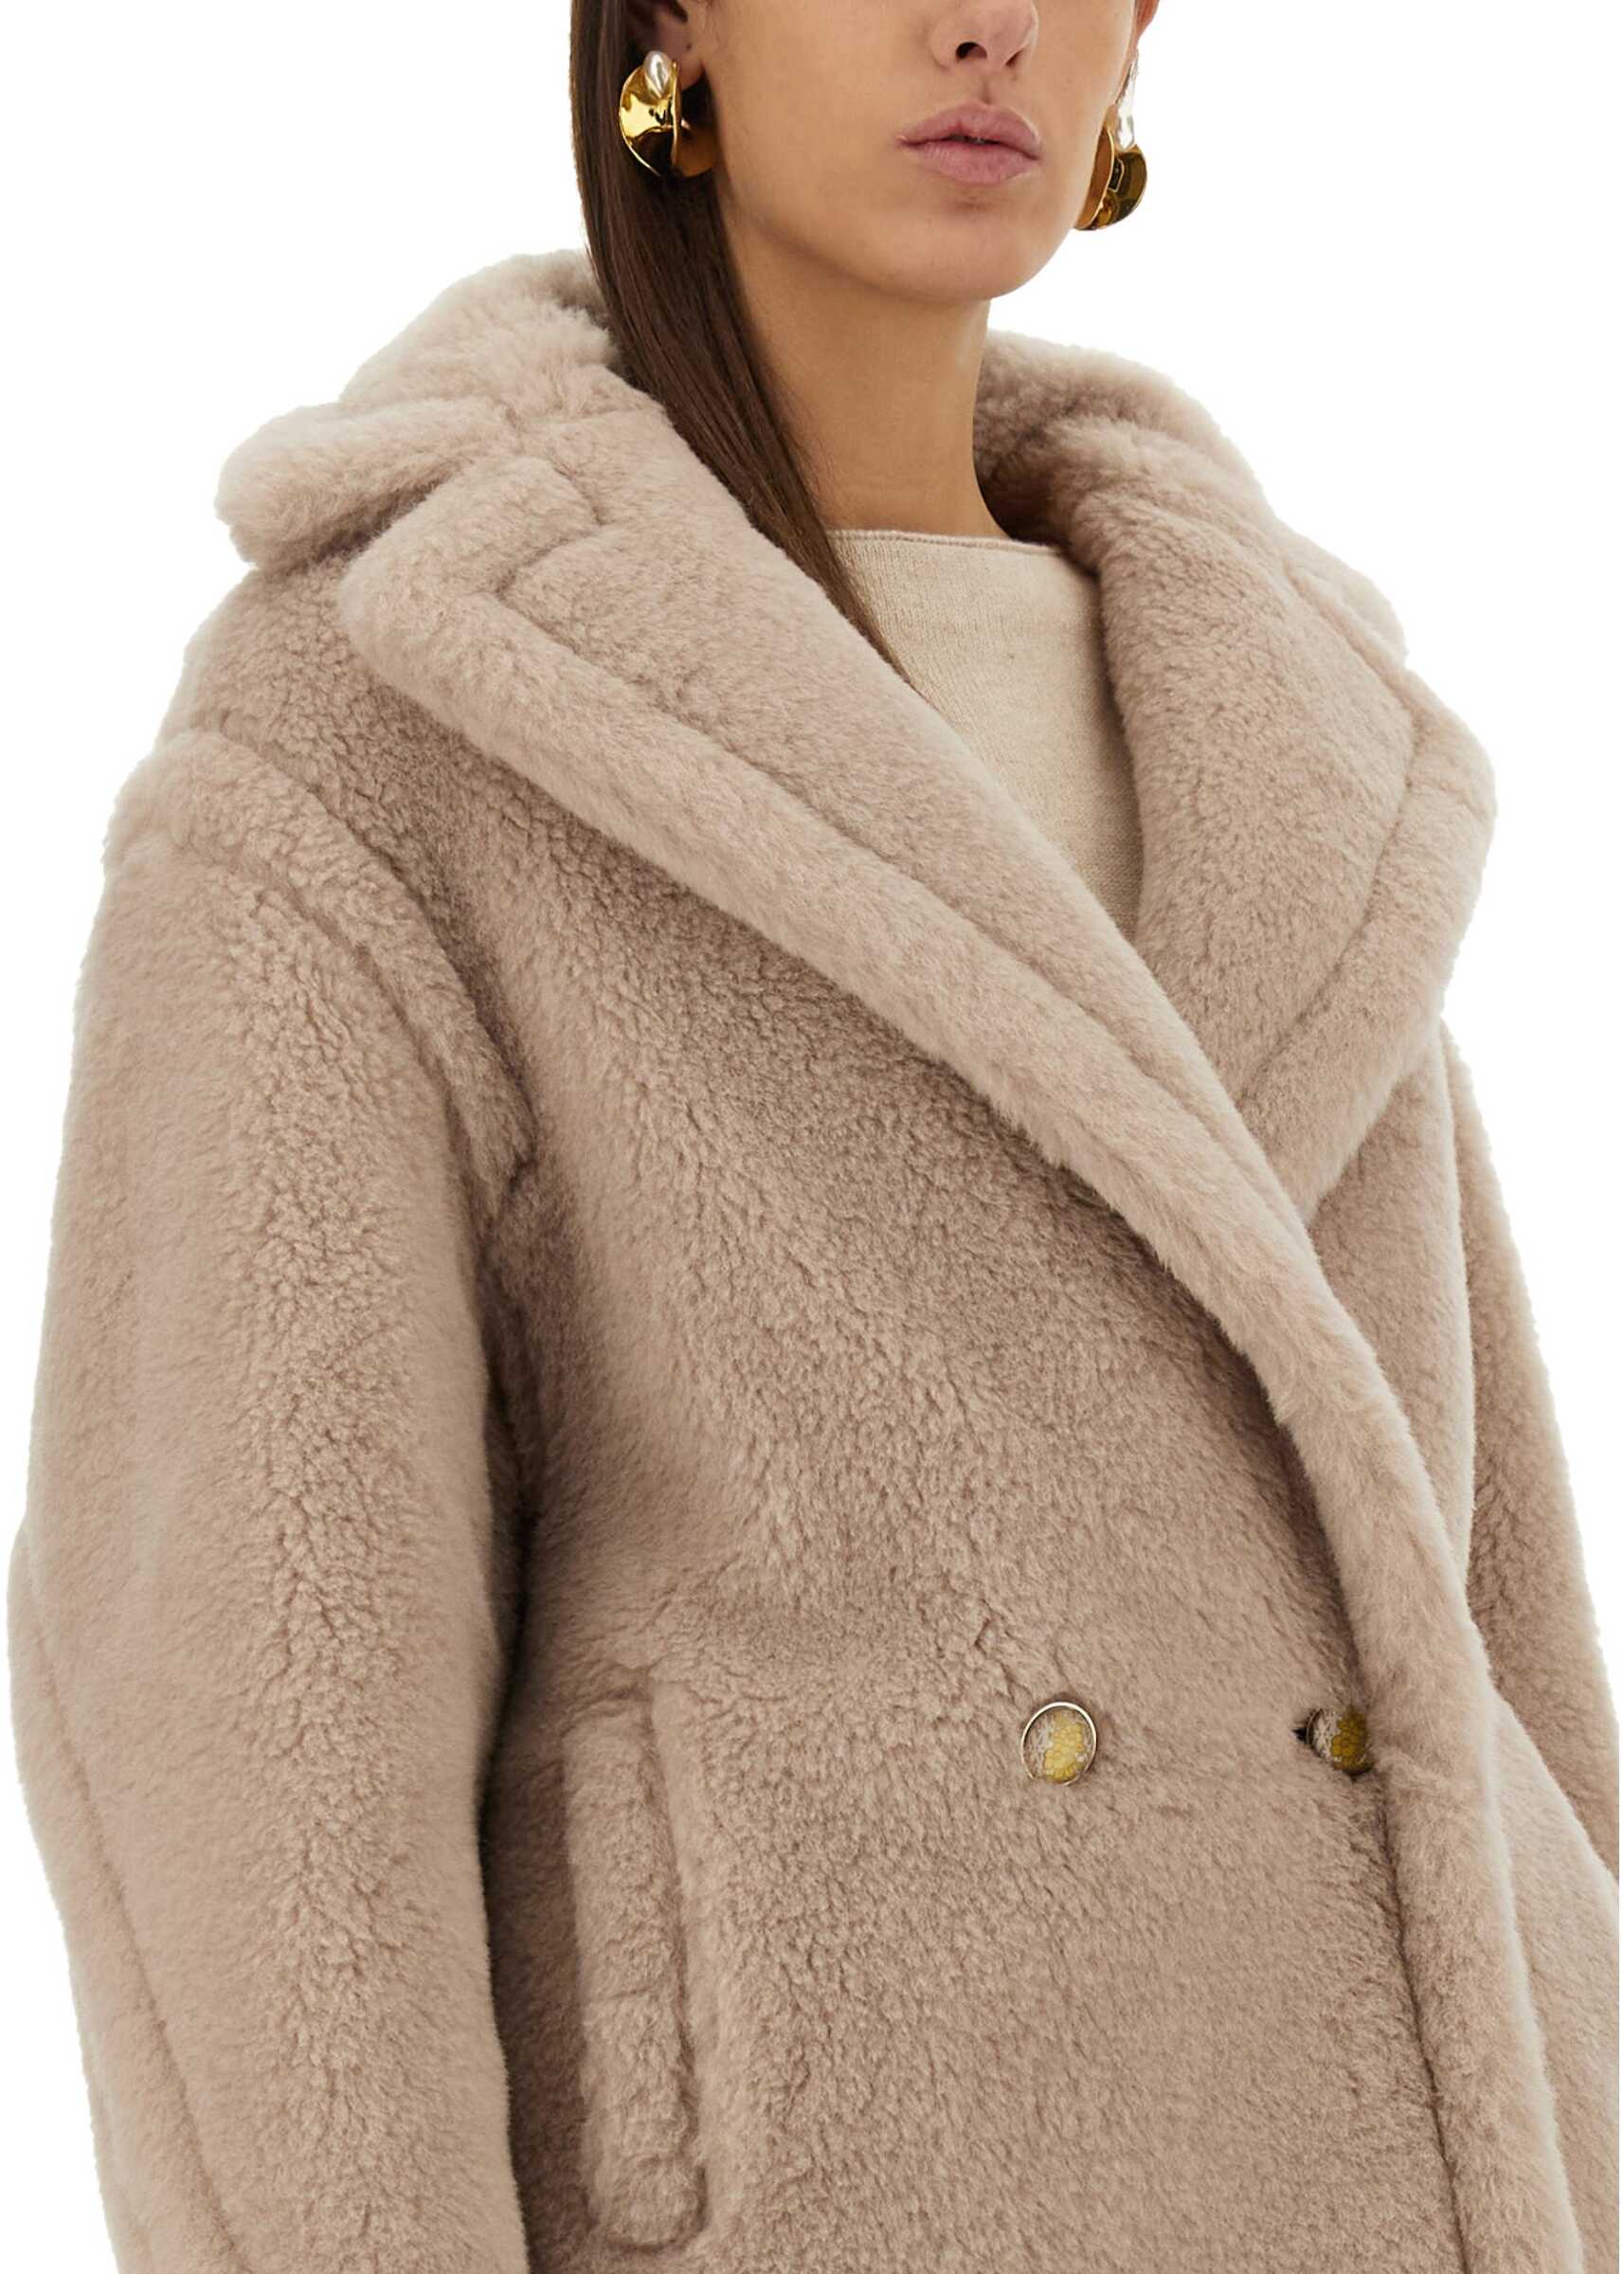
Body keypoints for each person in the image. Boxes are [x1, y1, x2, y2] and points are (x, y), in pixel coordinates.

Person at [9, 4, 1617, 2270]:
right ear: (672, 22)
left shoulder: (1298, 733)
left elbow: (1488, 1614)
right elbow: (251, 1752)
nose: (983, 24)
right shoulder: (383, 718)